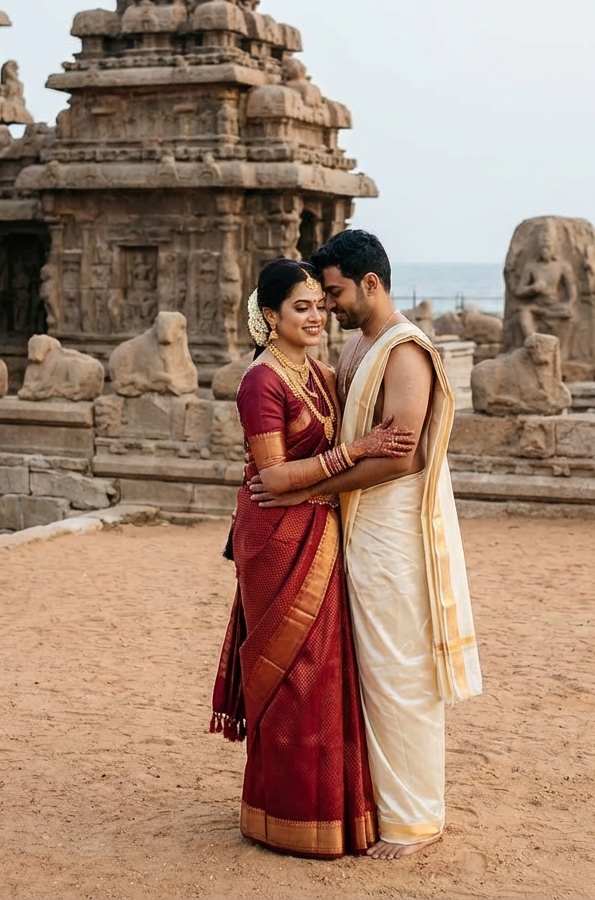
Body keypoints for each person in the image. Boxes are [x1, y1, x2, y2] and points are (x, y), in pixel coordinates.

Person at [252, 230, 483, 860]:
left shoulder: (405, 352)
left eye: (333, 293)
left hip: (391, 531)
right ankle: (376, 805)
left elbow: (401, 457)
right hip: (356, 526)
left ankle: (414, 821)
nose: (327, 307)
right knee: (367, 674)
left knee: (399, 672)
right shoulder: (360, 345)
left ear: (370, 284)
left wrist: (308, 489)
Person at [210, 257, 417, 859]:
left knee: (328, 667)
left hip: (321, 526)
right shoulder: (262, 381)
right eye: (302, 307)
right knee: (291, 671)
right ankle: (281, 813)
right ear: (270, 316)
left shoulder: (320, 375)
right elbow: (272, 476)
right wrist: (360, 448)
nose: (317, 316)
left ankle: (333, 811)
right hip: (274, 535)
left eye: (321, 305)